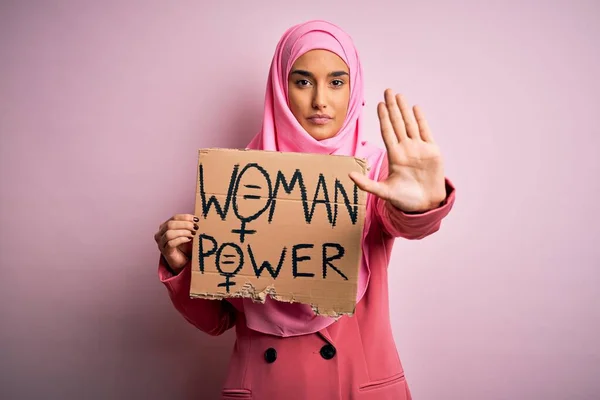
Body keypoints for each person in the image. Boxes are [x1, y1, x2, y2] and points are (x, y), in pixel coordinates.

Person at [153, 19, 456, 400]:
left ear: (353, 88)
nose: (320, 101)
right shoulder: (237, 178)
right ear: (280, 88)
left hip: (355, 385)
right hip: (264, 387)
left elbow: (402, 222)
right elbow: (219, 320)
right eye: (302, 81)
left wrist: (423, 205)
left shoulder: (377, 169)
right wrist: (182, 267)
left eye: (336, 81)